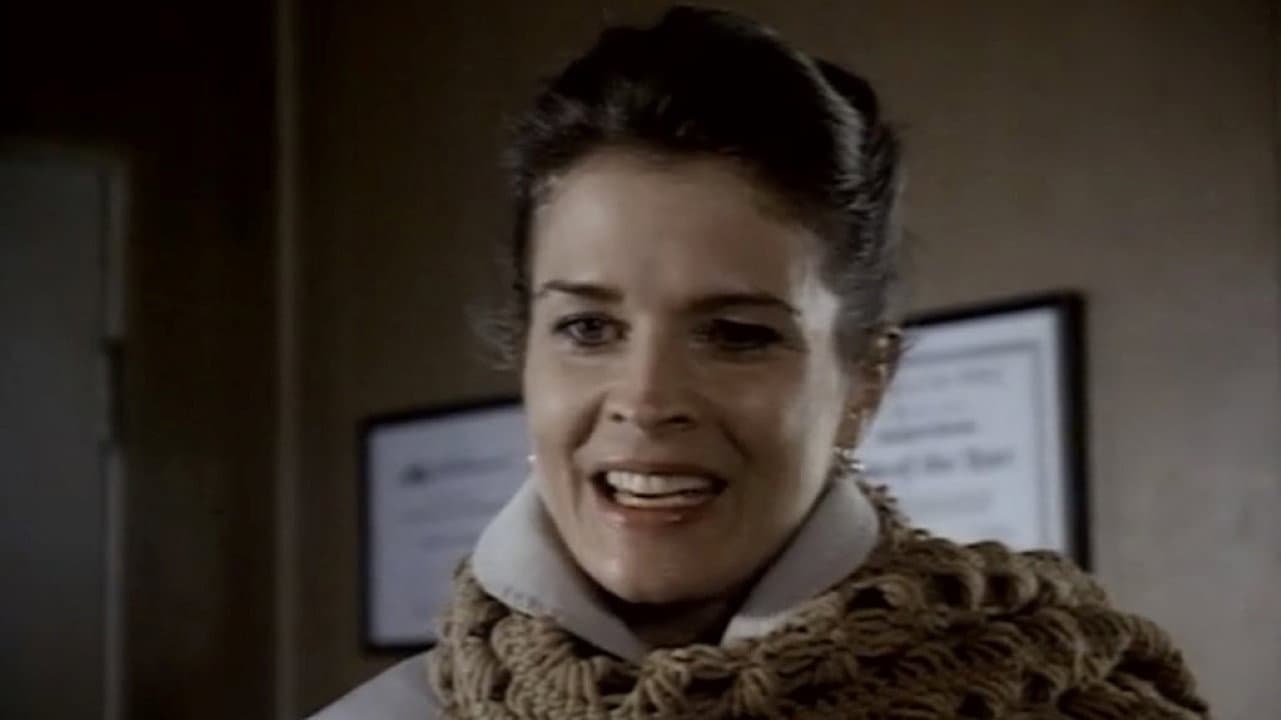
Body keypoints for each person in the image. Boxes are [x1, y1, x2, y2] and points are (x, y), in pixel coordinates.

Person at [314, 7, 1208, 719]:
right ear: (526, 355)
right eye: (587, 328)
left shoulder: (1062, 698)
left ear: (865, 382)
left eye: (737, 334)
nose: (646, 398)